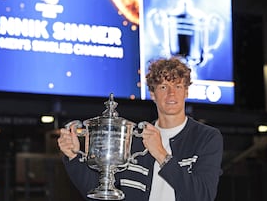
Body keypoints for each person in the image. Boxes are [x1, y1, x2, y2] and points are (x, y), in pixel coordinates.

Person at [57, 56, 223, 201]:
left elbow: (202, 196)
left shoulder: (207, 137)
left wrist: (161, 155)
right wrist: (73, 156)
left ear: (186, 92)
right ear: (152, 94)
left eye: (178, 86)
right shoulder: (134, 139)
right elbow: (103, 194)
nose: (171, 94)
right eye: (164, 87)